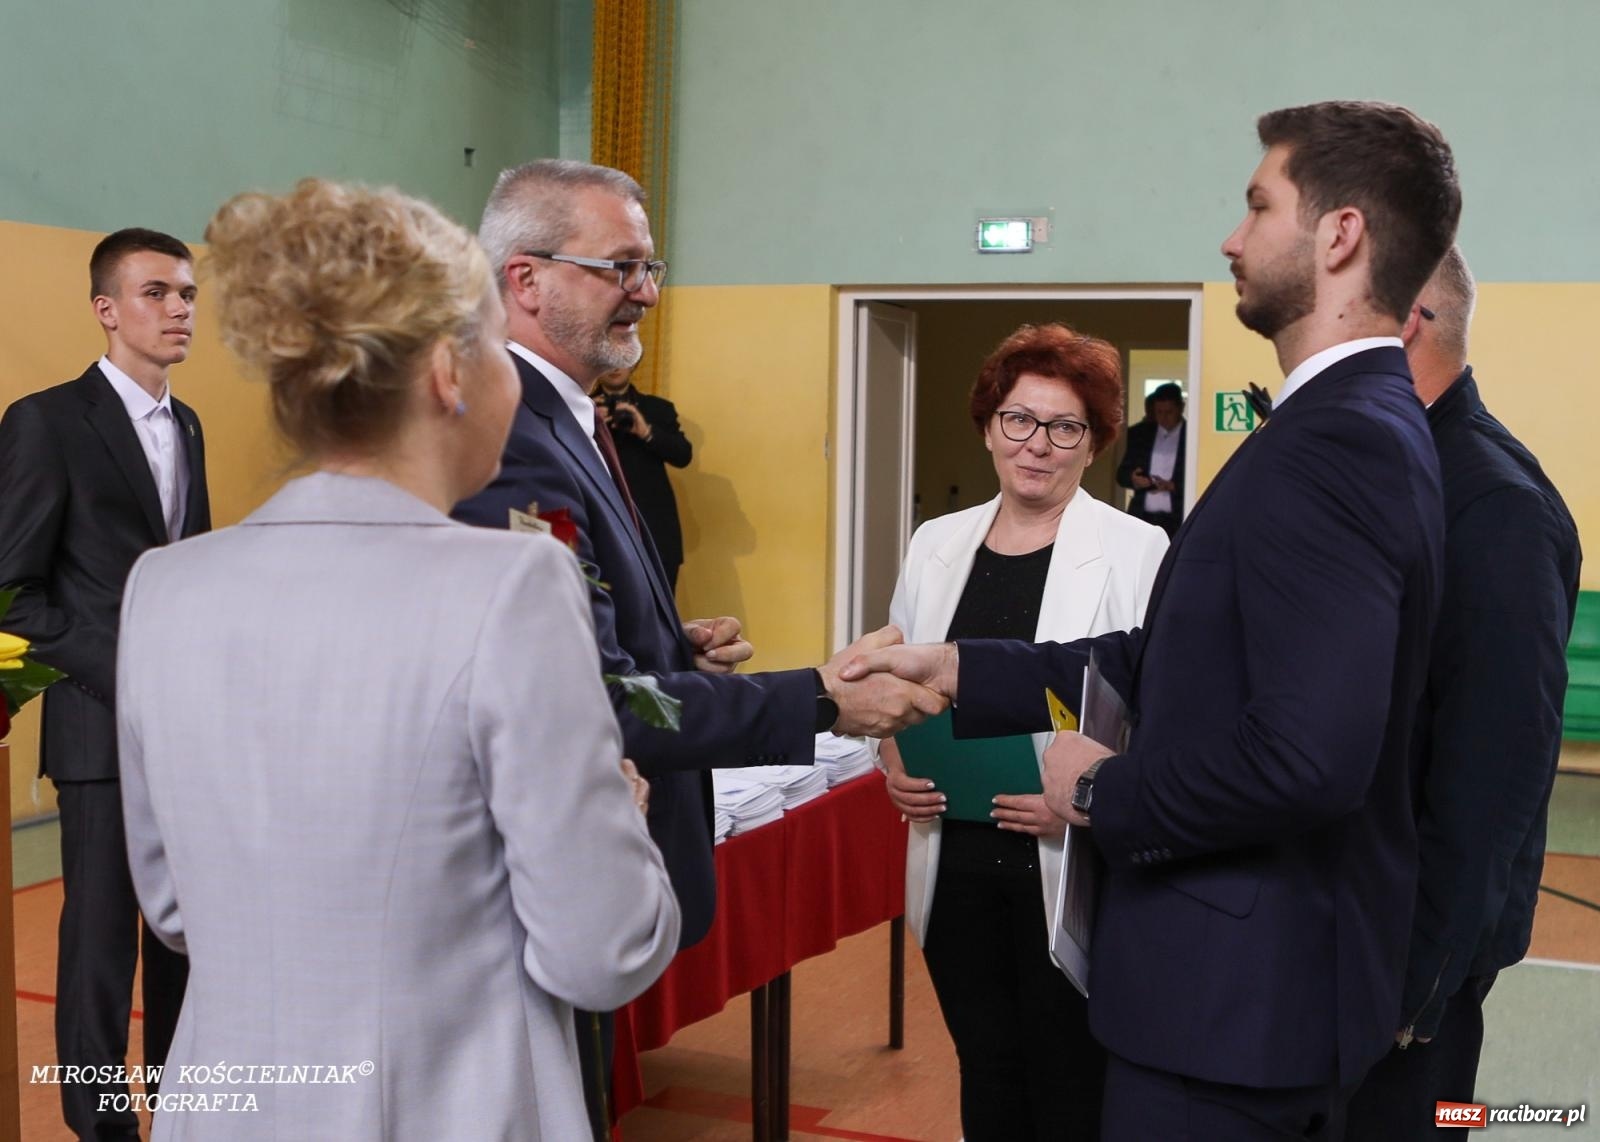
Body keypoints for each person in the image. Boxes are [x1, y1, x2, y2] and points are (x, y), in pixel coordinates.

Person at [844, 100, 1460, 1140]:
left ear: (1339, 234)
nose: (1231, 235)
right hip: (1232, 994)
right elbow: (1156, 655)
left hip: (1234, 1007)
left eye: (1256, 204)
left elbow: (1310, 756)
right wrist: (954, 665)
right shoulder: (1338, 426)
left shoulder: (1334, 443)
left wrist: (1096, 783)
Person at [115, 179, 680, 1140]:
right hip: (439, 1102)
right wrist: (617, 817)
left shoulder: (164, 588)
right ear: (448, 374)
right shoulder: (511, 587)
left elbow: (173, 907)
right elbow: (604, 949)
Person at [456, 158, 941, 1132]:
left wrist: (669, 640)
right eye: (619, 265)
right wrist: (818, 696)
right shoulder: (509, 435)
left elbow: (565, 637)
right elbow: (589, 695)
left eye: (650, 264)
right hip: (528, 888)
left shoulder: (571, 419)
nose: (645, 290)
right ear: (525, 279)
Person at [880, 323, 1166, 1141]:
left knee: (1070, 1082)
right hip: (953, 853)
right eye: (1019, 420)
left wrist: (1084, 796)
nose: (1037, 445)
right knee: (987, 1071)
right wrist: (890, 762)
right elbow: (907, 678)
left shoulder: (1138, 550)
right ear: (988, 425)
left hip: (1065, 861)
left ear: (1094, 444)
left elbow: (1155, 707)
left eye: (1064, 427)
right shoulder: (937, 543)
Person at [1342, 249, 1581, 1138]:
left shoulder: (1494, 504)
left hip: (1405, 974)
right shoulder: (1392, 469)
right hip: (1346, 939)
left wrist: (1418, 989)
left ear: (1403, 324)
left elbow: (1494, 783)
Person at [0, 227, 208, 1139]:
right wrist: (128, 670)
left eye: (189, 295)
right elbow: (13, 590)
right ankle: (100, 1118)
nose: (179, 310)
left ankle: (180, 1095)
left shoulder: (188, 422)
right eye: (157, 292)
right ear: (106, 308)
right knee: (98, 943)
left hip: (188, 726)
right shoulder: (45, 420)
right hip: (98, 722)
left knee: (179, 932)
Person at [593, 364, 693, 590]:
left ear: (635, 363)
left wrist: (646, 431)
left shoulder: (657, 409)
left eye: (622, 359)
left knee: (660, 612)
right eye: (608, 359)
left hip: (655, 526)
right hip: (604, 522)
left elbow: (683, 455)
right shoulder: (582, 407)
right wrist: (590, 425)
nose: (615, 367)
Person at [1115, 381, 1186, 536]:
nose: (1164, 417)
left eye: (1169, 412)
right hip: (1143, 517)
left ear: (1181, 408)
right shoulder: (1139, 434)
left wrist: (1174, 486)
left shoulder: (1191, 435)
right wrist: (1134, 480)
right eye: (1159, 412)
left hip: (1178, 519)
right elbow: (1121, 474)